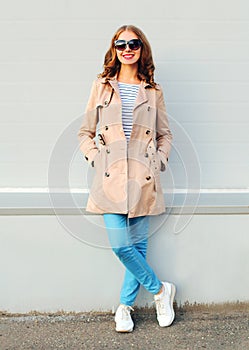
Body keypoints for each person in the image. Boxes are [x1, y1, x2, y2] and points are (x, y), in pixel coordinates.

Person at [78, 24, 175, 332]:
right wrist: (96, 157)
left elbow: (165, 134)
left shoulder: (153, 91)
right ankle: (161, 290)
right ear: (114, 50)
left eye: (134, 43)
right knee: (122, 245)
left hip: (142, 178)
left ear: (142, 48)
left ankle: (124, 308)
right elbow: (84, 132)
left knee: (138, 247)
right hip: (111, 176)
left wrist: (158, 161)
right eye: (121, 44)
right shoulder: (102, 86)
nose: (127, 48)